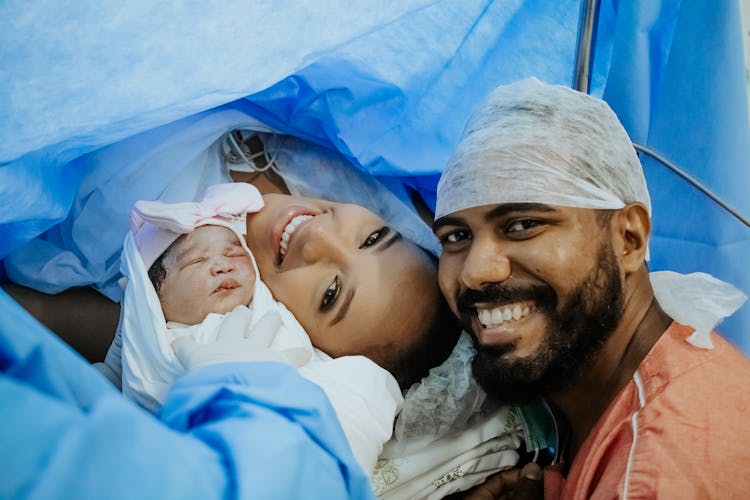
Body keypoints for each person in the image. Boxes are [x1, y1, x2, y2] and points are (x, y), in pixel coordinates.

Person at [432, 77, 750, 498]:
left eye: (523, 224)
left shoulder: (656, 470)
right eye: (456, 236)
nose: (475, 272)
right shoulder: (626, 398)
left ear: (628, 239)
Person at [119, 181, 402, 474]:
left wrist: (246, 401)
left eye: (330, 294)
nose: (319, 235)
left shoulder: (345, 389)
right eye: (372, 238)